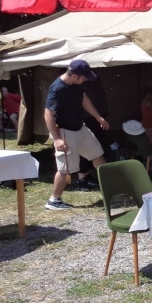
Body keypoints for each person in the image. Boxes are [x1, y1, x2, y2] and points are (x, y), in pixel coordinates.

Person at [43, 59, 109, 210]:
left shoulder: (77, 85)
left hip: (80, 127)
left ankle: (111, 188)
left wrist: (98, 117)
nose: (86, 80)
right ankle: (54, 201)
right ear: (74, 76)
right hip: (65, 131)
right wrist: (57, 139)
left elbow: (85, 100)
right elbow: (48, 114)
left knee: (97, 155)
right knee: (65, 169)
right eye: (84, 77)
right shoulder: (58, 89)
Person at [76, 76, 109, 191]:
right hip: (85, 119)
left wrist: (99, 117)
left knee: (96, 149)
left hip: (95, 117)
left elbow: (87, 100)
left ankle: (103, 179)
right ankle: (82, 178)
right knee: (83, 149)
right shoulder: (72, 84)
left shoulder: (91, 79)